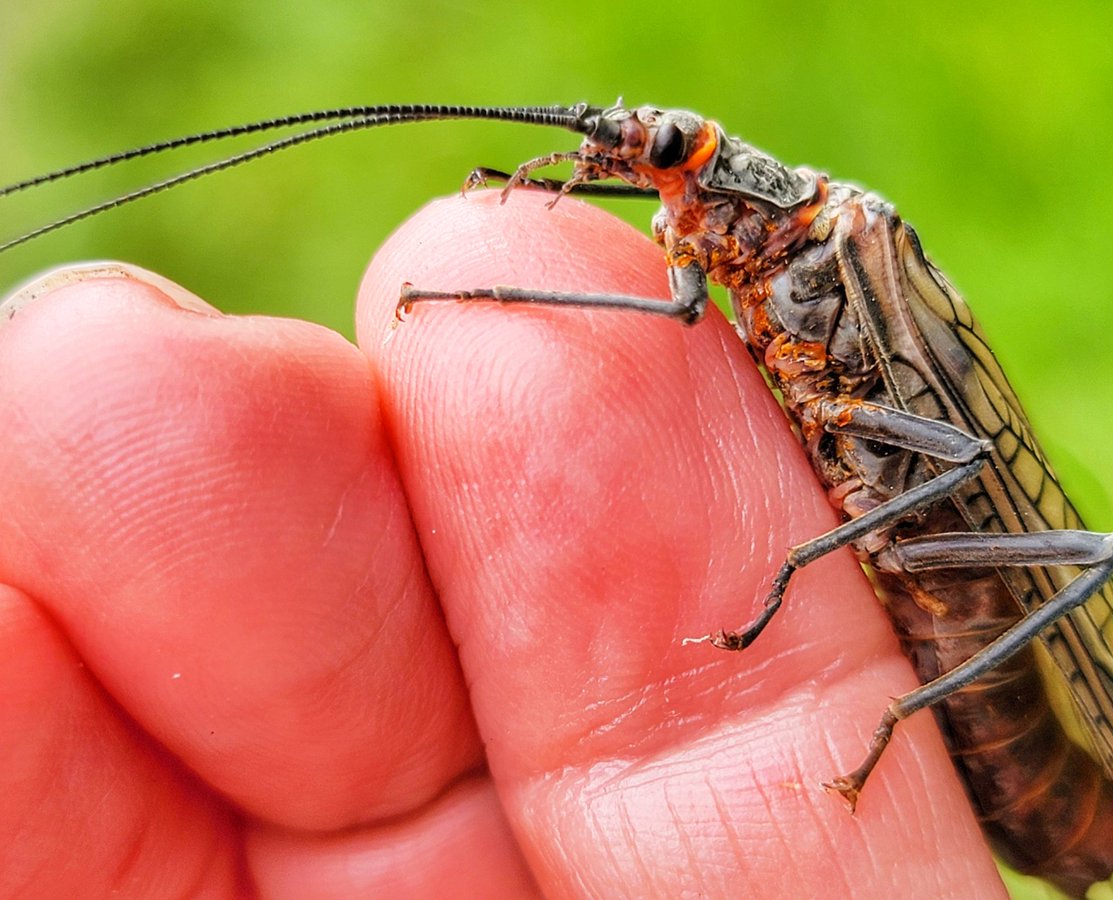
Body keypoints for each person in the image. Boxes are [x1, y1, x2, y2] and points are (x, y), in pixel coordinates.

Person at [0, 189, 1004, 896]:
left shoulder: (824, 252)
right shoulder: (741, 232)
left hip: (960, 589)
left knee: (1030, 515)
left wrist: (791, 563)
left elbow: (958, 460)